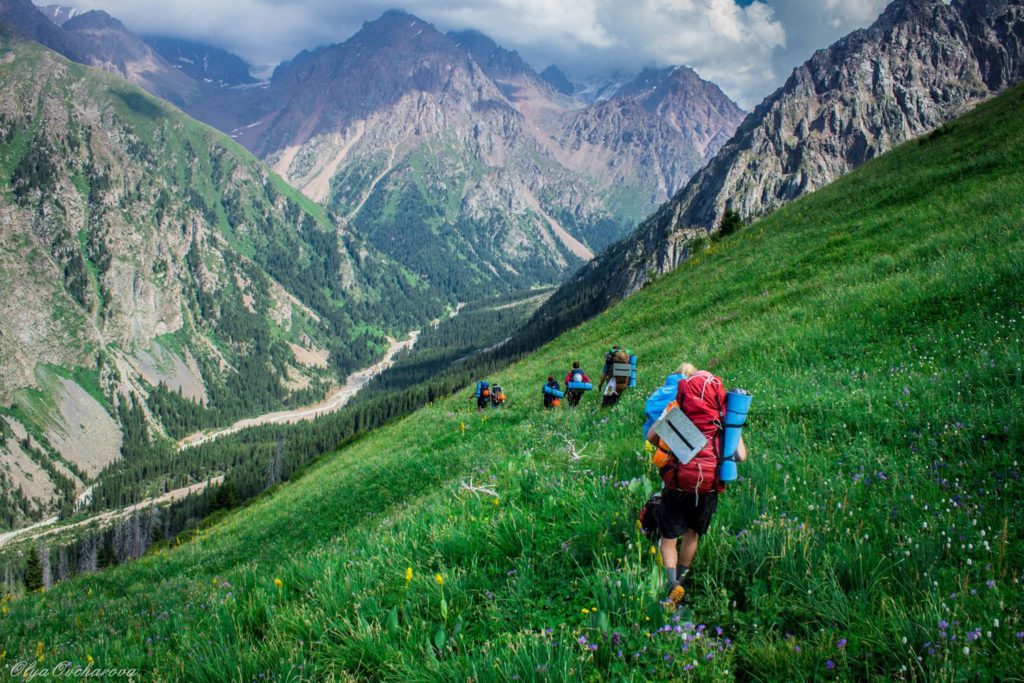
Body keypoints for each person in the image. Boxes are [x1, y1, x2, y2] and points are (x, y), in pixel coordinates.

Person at [646, 363, 747, 609]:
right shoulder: (724, 418)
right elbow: (741, 456)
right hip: (708, 488)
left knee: (669, 539)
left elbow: (651, 437)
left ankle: (671, 584)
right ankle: (682, 579)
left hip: (678, 484)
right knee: (692, 534)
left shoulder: (677, 410)